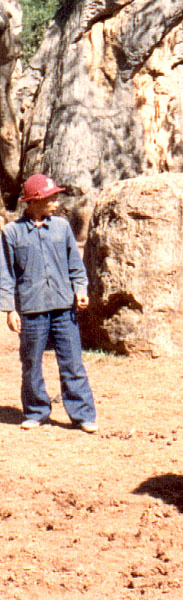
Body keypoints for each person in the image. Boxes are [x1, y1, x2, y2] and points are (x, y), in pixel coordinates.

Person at [0, 173, 98, 432]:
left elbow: (75, 266)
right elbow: (6, 274)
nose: (55, 203)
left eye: (56, 197)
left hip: (64, 309)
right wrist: (9, 309)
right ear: (32, 201)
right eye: (49, 198)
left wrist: (80, 290)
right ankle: (36, 411)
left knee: (72, 362)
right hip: (31, 310)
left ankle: (83, 415)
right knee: (31, 363)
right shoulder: (11, 233)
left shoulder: (62, 228)